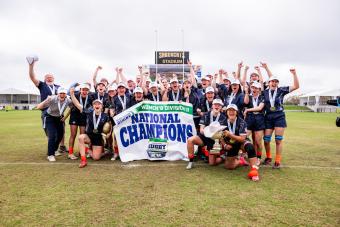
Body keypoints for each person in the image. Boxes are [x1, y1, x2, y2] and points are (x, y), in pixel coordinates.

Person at [27, 56, 67, 154]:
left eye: (51, 77)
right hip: (46, 111)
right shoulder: (42, 85)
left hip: (59, 112)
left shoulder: (58, 87)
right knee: (50, 132)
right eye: (47, 77)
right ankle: (52, 149)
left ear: (54, 78)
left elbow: (66, 97)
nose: (49, 78)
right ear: (45, 79)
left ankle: (57, 148)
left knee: (61, 131)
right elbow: (32, 77)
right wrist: (31, 65)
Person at [262, 69, 300, 168]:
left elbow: (296, 86)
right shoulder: (264, 92)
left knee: (278, 140)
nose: (274, 83)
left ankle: (277, 161)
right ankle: (268, 157)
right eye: (272, 81)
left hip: (279, 116)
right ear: (268, 83)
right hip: (268, 117)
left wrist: (294, 74)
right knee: (266, 140)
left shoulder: (281, 90)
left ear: (277, 83)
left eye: (276, 81)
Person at [70, 88, 111, 168]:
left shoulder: (105, 116)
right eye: (95, 104)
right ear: (93, 106)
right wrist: (72, 95)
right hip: (89, 137)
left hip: (98, 138)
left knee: (96, 158)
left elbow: (109, 126)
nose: (97, 105)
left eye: (99, 104)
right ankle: (83, 160)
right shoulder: (88, 113)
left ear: (102, 106)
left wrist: (108, 134)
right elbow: (77, 104)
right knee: (81, 137)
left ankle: (104, 152)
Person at [221, 104, 260, 181]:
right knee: (229, 166)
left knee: (250, 147)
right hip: (231, 144)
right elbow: (220, 137)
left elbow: (242, 139)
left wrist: (230, 135)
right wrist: (224, 145)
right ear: (226, 112)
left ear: (237, 112)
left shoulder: (242, 122)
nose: (231, 112)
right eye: (229, 110)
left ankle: (254, 171)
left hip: (241, 142)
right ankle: (240, 161)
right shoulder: (222, 122)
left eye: (233, 110)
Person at [186, 98, 227, 169]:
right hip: (204, 137)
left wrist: (216, 136)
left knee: (212, 163)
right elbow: (201, 129)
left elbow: (223, 133)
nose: (217, 106)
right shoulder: (206, 115)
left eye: (219, 105)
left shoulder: (224, 118)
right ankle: (191, 161)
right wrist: (208, 132)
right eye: (215, 105)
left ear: (221, 107)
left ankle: (223, 157)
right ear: (212, 106)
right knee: (190, 140)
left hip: (215, 140)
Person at [36, 88, 72, 162]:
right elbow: (39, 107)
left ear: (66, 94)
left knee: (60, 135)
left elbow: (72, 108)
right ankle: (50, 155)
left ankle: (54, 150)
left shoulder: (68, 100)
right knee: (52, 135)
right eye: (60, 93)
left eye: (64, 93)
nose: (62, 95)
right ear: (58, 94)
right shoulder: (52, 99)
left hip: (59, 118)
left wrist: (65, 117)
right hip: (50, 117)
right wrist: (46, 100)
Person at [66, 83, 92, 160]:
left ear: (88, 91)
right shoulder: (75, 94)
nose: (84, 91)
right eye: (83, 89)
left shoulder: (90, 97)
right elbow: (69, 95)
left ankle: (82, 152)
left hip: (84, 117)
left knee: (82, 135)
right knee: (73, 135)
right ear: (80, 90)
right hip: (74, 116)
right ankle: (70, 153)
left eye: (86, 90)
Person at [243, 81, 265, 164]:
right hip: (250, 118)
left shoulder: (262, 97)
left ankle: (258, 157)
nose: (254, 89)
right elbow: (245, 102)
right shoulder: (249, 96)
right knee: (244, 137)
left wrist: (248, 110)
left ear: (259, 89)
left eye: (256, 88)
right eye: (252, 87)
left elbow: (259, 108)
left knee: (258, 141)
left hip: (259, 119)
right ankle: (243, 155)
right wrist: (246, 92)